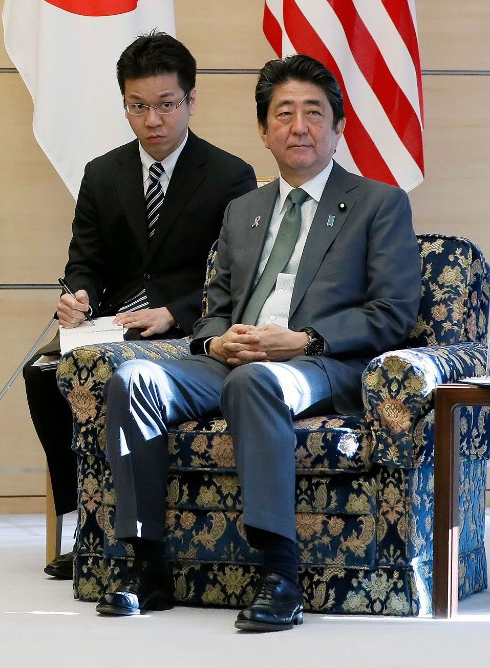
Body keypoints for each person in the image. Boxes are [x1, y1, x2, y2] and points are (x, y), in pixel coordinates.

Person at [97, 54, 420, 632]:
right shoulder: (243, 210)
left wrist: (304, 339)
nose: (299, 127)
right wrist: (216, 343)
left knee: (257, 381)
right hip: (238, 359)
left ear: (339, 127)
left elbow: (394, 313)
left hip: (323, 363)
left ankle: (281, 572)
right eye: (284, 114)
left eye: (314, 114)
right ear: (264, 131)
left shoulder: (379, 204)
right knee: (133, 379)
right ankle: (146, 565)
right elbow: (213, 307)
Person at [24, 33, 255, 580]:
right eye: (138, 106)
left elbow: (237, 276)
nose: (153, 119)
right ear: (124, 103)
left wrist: (174, 313)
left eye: (166, 104)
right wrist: (78, 296)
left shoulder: (229, 175)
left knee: (124, 375)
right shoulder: (103, 174)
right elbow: (85, 259)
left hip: (187, 321)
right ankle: (85, 522)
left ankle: (134, 527)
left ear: (191, 101)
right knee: (41, 374)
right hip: (112, 321)